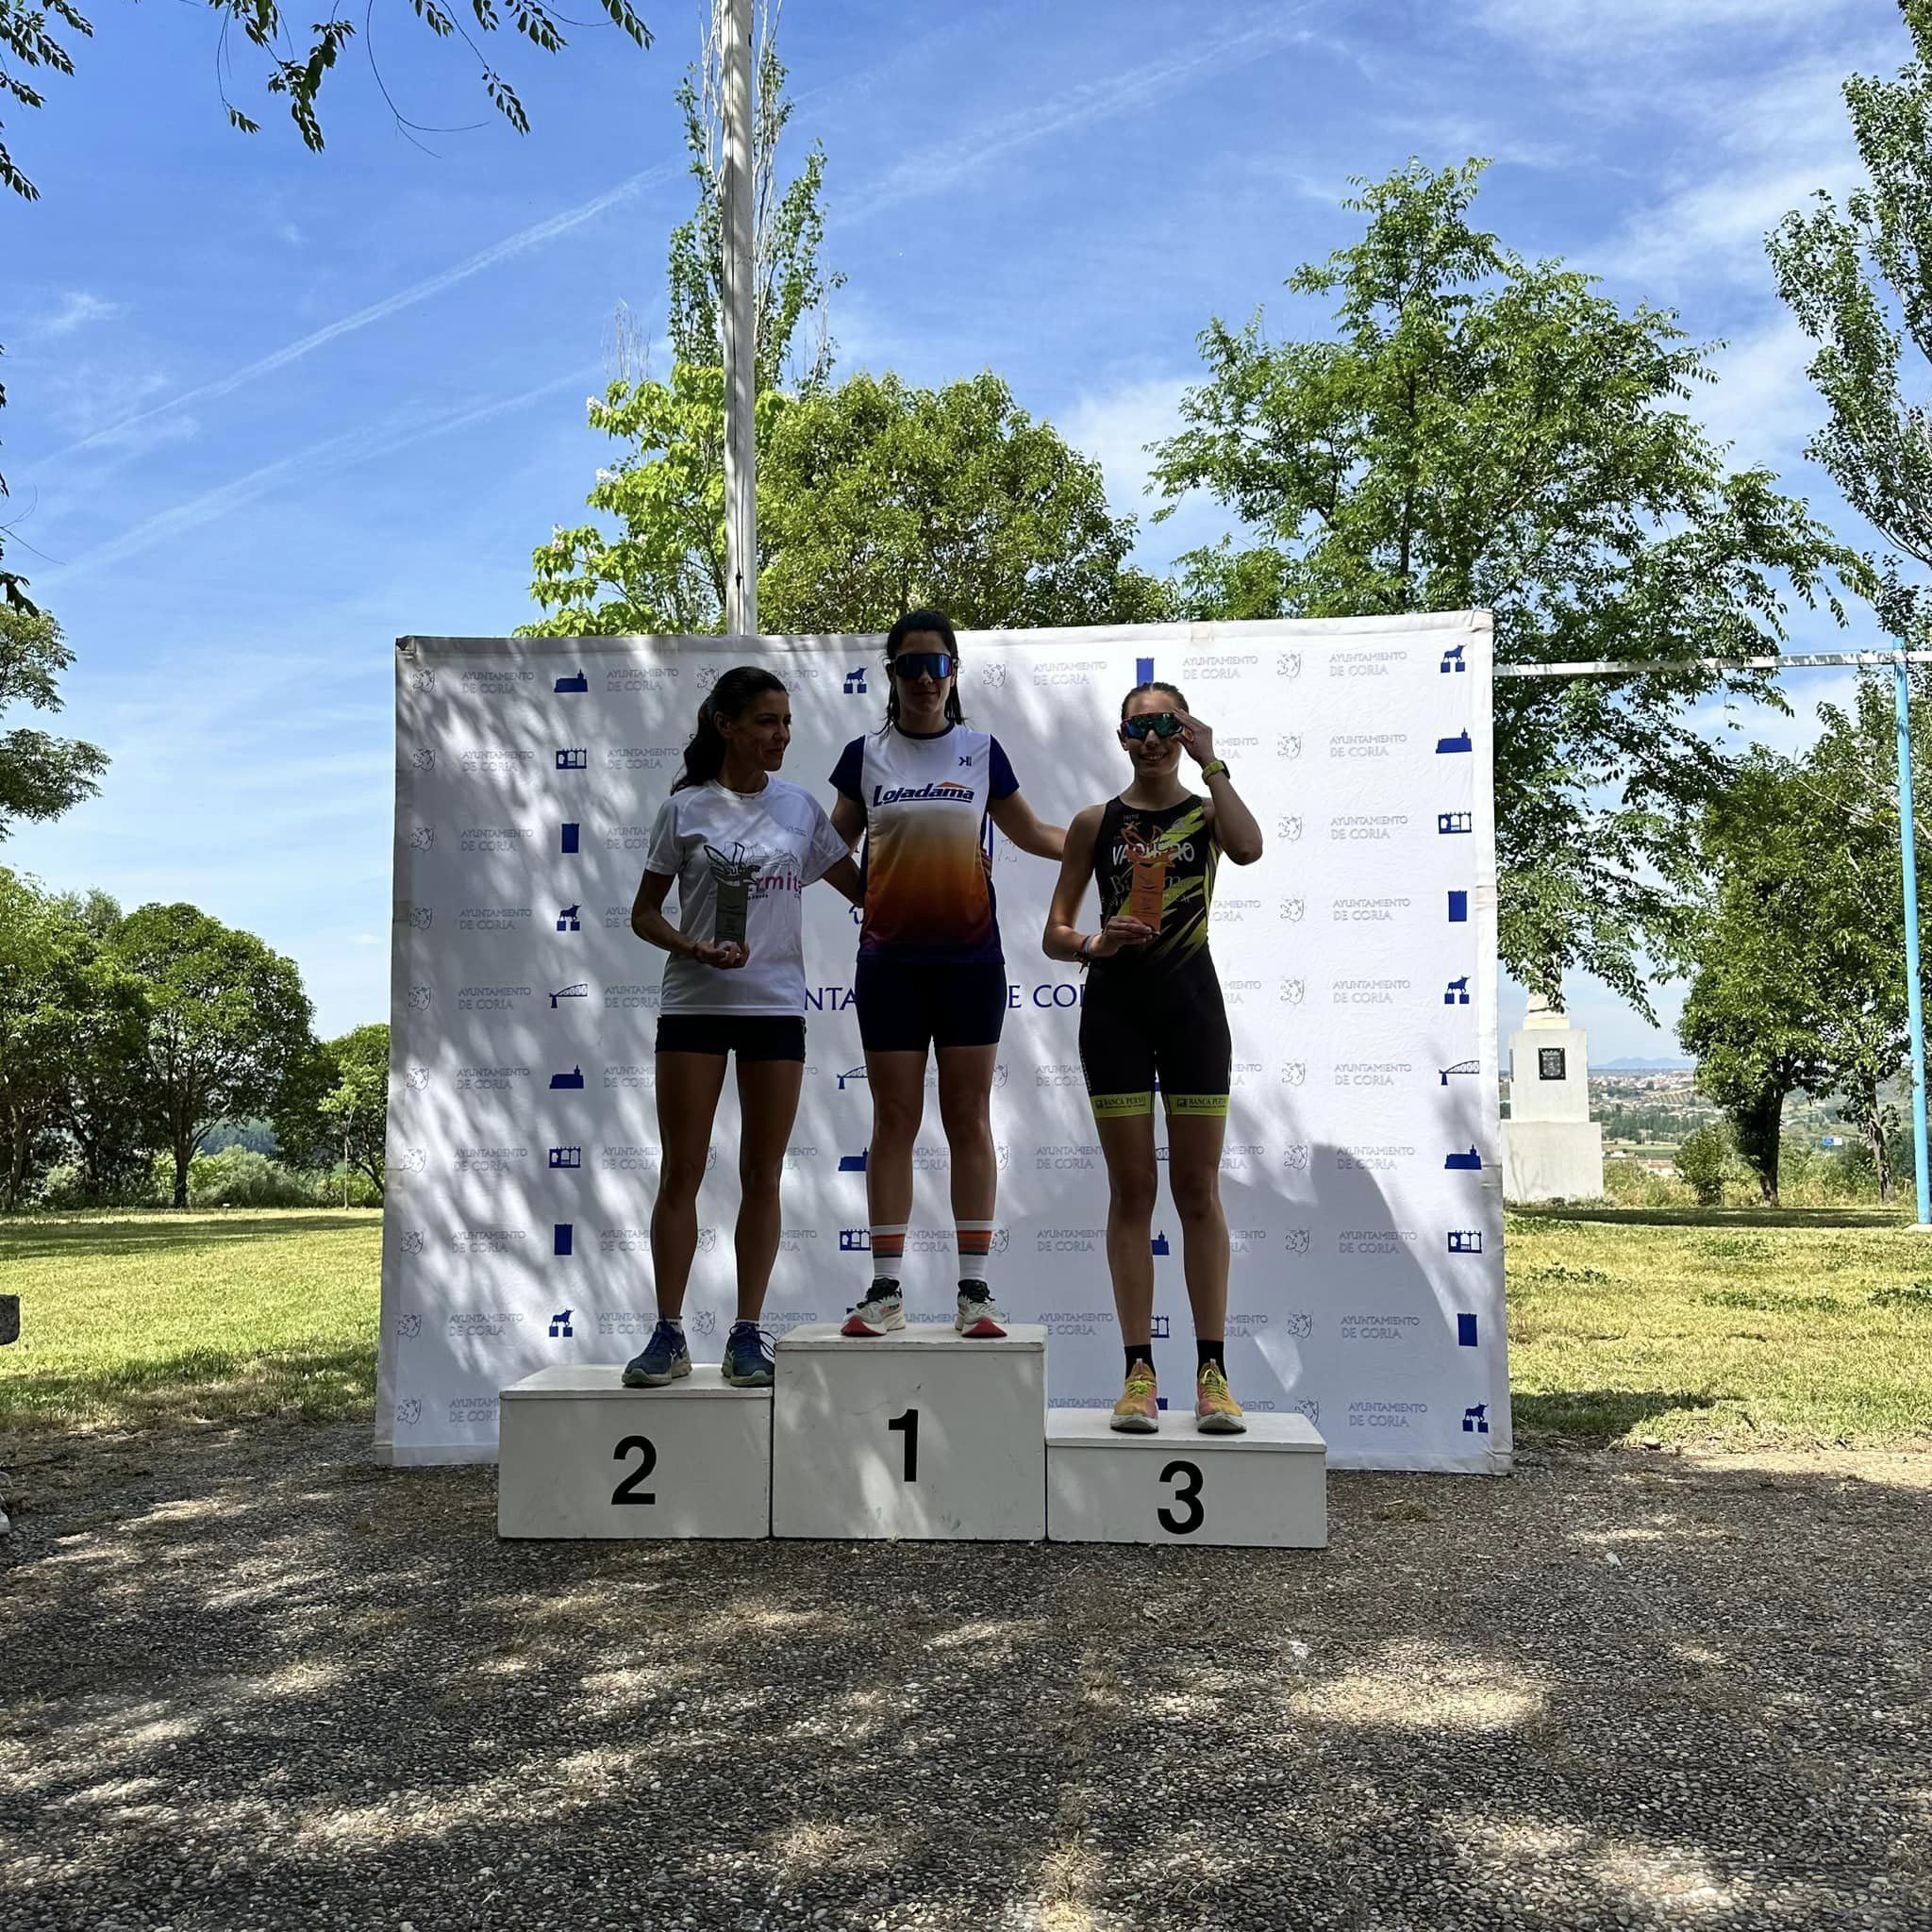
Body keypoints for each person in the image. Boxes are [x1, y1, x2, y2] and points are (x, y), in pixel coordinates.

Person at [621, 667, 862, 1391]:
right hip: (694, 1005)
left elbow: (865, 893)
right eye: (765, 721)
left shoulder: (800, 810)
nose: (780, 735)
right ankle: (667, 1334)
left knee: (763, 1175)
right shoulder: (685, 809)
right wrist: (692, 946)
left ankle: (746, 1334)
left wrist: (935, 865)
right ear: (725, 724)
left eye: (786, 722)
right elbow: (643, 913)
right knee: (682, 1173)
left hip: (776, 1008)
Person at [829, 609, 1065, 1339]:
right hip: (890, 967)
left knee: (968, 1118)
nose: (925, 680)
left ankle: (975, 1293)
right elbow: (822, 848)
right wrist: (868, 893)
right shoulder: (864, 757)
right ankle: (886, 1291)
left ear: (953, 674)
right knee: (894, 1121)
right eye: (910, 666)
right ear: (891, 674)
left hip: (970, 963)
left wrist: (1112, 837)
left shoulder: (980, 751)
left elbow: (1030, 833)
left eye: (938, 666)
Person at [1042, 680, 1264, 1431]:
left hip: (1193, 1012)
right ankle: (1138, 1372)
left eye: (1168, 724)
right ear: (1121, 737)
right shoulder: (1093, 823)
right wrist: (1095, 943)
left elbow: (1250, 849)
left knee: (1197, 1191)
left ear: (1186, 728)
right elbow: (1053, 934)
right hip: (1116, 1015)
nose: (1154, 738)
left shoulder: (1206, 813)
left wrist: (1214, 763)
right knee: (1132, 1193)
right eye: (1140, 727)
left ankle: (1214, 1375)